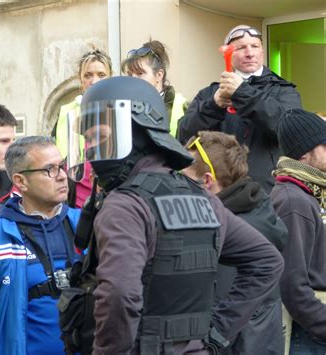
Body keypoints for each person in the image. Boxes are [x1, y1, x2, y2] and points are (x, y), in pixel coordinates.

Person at [65, 76, 284, 354]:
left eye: (100, 137)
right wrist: (216, 334)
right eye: (87, 140)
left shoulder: (126, 205)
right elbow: (268, 261)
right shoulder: (203, 198)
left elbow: (120, 295)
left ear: (136, 134)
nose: (90, 150)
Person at [0, 136, 81, 354]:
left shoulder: (86, 227)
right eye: (50, 170)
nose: (62, 177)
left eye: (62, 167)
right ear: (20, 181)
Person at [183, 131, 287, 354]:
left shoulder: (228, 232)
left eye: (184, 178)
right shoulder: (260, 211)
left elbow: (218, 319)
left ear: (207, 181)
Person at [178, 25, 302, 193]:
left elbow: (288, 130)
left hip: (269, 191)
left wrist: (242, 92)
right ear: (228, 54)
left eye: (255, 46)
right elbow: (183, 137)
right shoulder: (209, 94)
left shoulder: (284, 90)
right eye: (241, 47)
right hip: (219, 192)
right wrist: (213, 106)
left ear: (262, 51)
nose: (250, 53)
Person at [270, 109, 326, 354]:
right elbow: (292, 286)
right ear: (305, 154)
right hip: (310, 336)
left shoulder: (312, 193)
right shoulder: (295, 201)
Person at [53, 48, 113, 208]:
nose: (94, 81)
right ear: (81, 81)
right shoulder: (67, 112)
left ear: (110, 78)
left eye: (101, 75)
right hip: (76, 203)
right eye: (88, 75)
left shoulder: (120, 112)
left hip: (112, 202)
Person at [122, 39, 187, 137]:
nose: (133, 79)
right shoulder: (124, 108)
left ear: (159, 75)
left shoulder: (181, 106)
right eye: (130, 74)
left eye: (140, 73)